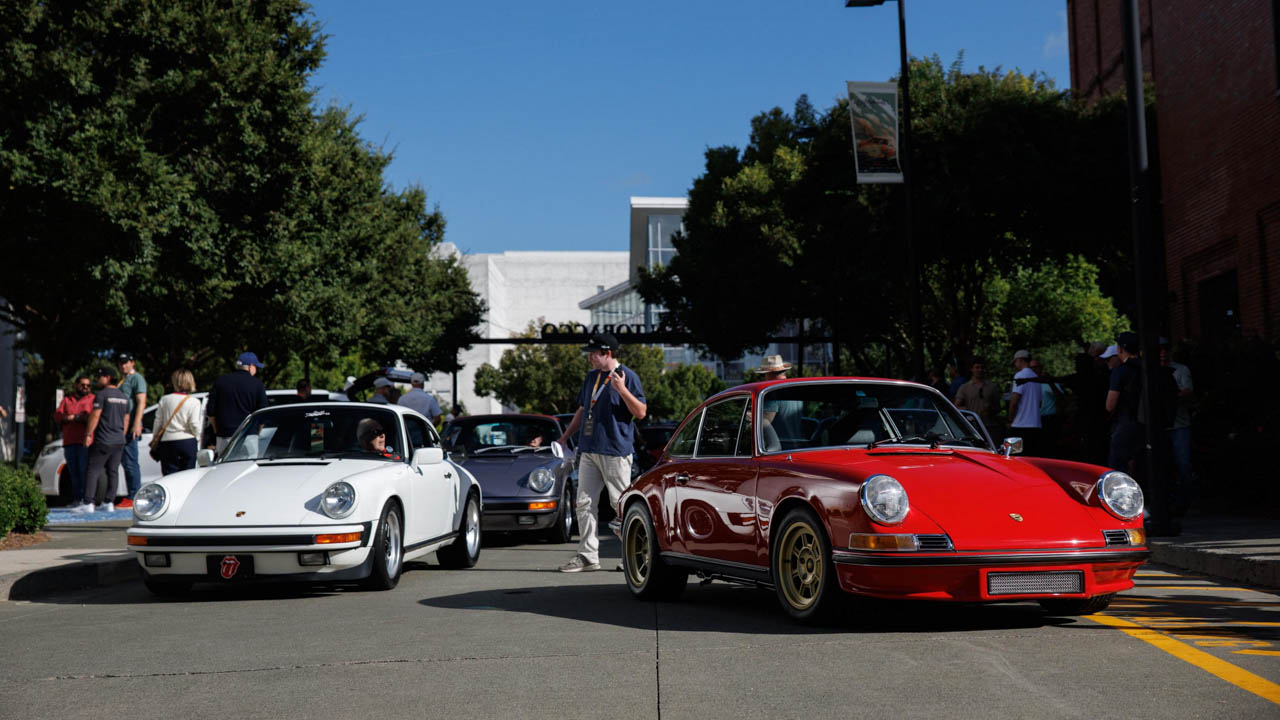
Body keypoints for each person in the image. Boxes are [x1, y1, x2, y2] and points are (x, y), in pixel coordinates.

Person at [557, 332, 646, 573]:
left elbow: (641, 412)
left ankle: (632, 556)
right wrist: (565, 437)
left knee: (621, 505)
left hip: (615, 451)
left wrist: (622, 389)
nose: (590, 357)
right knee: (583, 503)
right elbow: (583, 409)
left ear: (607, 353)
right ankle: (588, 556)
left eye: (593, 353)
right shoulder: (591, 377)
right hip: (588, 449)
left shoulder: (628, 376)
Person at [77, 368, 129, 513]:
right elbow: (126, 419)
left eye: (100, 376)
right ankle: (109, 502)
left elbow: (95, 415)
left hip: (103, 439)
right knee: (113, 471)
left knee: (93, 470)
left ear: (108, 377)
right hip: (119, 440)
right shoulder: (124, 397)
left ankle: (88, 502)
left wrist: (88, 434)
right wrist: (121, 435)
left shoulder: (102, 395)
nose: (98, 379)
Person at [207, 352, 268, 456]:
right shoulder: (257, 384)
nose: (256, 370)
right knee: (247, 465)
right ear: (250, 367)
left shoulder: (221, 381)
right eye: (256, 367)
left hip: (224, 435)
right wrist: (257, 432)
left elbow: (211, 411)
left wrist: (217, 431)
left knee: (224, 465)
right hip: (248, 435)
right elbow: (262, 412)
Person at [1160, 339, 1195, 514]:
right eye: (1160, 350)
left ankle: (1183, 501)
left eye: (1165, 349)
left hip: (1179, 424)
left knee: (1183, 463)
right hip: (1161, 425)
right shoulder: (1150, 370)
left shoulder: (1180, 370)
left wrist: (1170, 396)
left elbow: (1188, 391)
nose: (1163, 353)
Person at [1106, 332, 1145, 477]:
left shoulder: (1120, 371)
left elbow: (1110, 405)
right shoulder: (1147, 368)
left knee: (1119, 468)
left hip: (1125, 422)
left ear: (1120, 349)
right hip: (1147, 423)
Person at [53, 376, 94, 508]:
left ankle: (86, 500)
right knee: (74, 472)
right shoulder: (67, 400)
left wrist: (76, 417)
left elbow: (93, 416)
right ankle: (76, 499)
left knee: (84, 471)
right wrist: (67, 418)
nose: (85, 387)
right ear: (76, 385)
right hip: (69, 442)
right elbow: (57, 416)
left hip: (85, 442)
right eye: (82, 385)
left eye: (88, 385)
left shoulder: (92, 399)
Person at [152, 369, 202, 475]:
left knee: (169, 477)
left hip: (168, 442)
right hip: (187, 441)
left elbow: (158, 422)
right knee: (188, 476)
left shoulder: (164, 399)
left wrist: (155, 437)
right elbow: (194, 423)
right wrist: (197, 437)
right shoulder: (194, 402)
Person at [116, 352, 147, 508]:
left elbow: (141, 401)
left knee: (130, 462)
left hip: (130, 427)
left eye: (126, 362)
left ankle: (133, 496)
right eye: (121, 363)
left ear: (132, 363)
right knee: (124, 461)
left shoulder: (137, 378)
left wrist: (136, 423)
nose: (123, 365)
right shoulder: (122, 380)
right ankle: (130, 493)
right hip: (120, 427)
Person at [954, 357, 1001, 439]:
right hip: (972, 426)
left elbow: (998, 408)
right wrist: (968, 410)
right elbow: (956, 406)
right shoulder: (965, 387)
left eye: (982, 367)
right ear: (971, 369)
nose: (980, 370)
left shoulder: (992, 387)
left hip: (989, 426)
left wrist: (990, 409)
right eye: (977, 367)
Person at [758, 355, 802, 442]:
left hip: (779, 447)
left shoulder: (772, 393)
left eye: (764, 374)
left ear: (769, 374)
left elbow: (763, 425)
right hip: (800, 445)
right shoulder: (795, 392)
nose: (764, 378)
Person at [1008, 349, 1042, 455]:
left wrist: (1010, 419)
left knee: (1015, 456)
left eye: (1015, 362)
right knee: (1032, 457)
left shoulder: (1020, 376)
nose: (1015, 364)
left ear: (1020, 360)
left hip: (1019, 425)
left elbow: (1014, 401)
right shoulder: (1036, 378)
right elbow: (1039, 403)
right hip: (1036, 425)